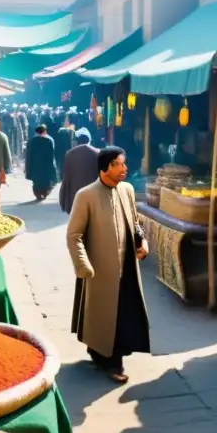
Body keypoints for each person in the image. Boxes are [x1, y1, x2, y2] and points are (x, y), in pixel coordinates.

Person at [66, 146, 150, 383]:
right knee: (103, 313)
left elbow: (134, 222)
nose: (124, 169)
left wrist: (142, 241)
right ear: (104, 168)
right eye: (118, 164)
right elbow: (74, 235)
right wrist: (83, 265)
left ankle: (107, 356)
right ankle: (111, 363)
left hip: (127, 267)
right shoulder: (86, 195)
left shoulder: (127, 190)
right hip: (99, 269)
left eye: (124, 163)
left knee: (122, 315)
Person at [59, 128, 99, 214]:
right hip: (92, 194)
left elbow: (66, 178)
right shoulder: (97, 153)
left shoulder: (69, 153)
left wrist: (63, 201)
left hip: (75, 195)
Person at [25, 125, 57, 201]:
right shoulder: (49, 140)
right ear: (45, 132)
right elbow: (52, 155)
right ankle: (45, 192)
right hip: (46, 165)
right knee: (46, 181)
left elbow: (28, 155)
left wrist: (27, 167)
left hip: (35, 165)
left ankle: (38, 194)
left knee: (36, 181)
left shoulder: (32, 141)